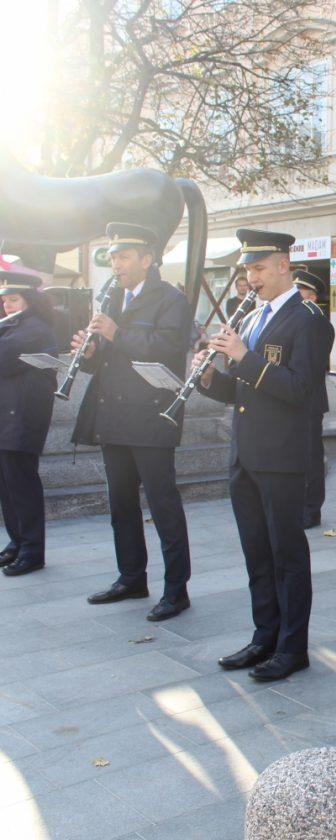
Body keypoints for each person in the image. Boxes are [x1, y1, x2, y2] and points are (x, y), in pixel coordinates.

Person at [194, 228, 334, 681]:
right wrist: (209, 379)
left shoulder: (308, 319)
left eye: (258, 268)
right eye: (248, 270)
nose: (251, 278)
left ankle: (293, 648)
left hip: (283, 455)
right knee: (256, 552)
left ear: (282, 265)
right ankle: (264, 637)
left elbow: (302, 390)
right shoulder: (254, 317)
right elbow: (244, 391)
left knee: (286, 554)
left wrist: (244, 357)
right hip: (246, 453)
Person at [71, 223, 194, 620]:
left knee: (163, 505)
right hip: (113, 414)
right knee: (121, 504)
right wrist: (89, 352)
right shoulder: (112, 296)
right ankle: (131, 577)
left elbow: (166, 348)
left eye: (123, 257)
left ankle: (176, 589)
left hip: (152, 415)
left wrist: (116, 332)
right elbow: (107, 359)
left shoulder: (171, 299)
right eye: (113, 258)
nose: (116, 265)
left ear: (147, 259)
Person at [0, 273, 58, 577]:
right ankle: (18, 541)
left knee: (21, 485)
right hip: (7, 417)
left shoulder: (34, 328)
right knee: (7, 486)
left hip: (22, 417)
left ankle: (32, 551)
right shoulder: (12, 326)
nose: (8, 306)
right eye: (4, 300)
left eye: (14, 299)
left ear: (29, 301)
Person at [293, 268, 334, 529]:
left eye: (300, 290)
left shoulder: (317, 320)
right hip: (292, 397)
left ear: (313, 295)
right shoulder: (297, 318)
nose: (295, 294)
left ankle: (311, 509)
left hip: (309, 399)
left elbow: (313, 363)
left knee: (310, 456)